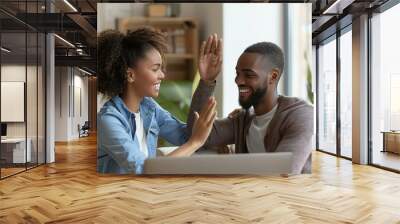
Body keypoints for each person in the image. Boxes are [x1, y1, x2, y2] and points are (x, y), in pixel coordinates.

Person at [97, 28, 221, 174]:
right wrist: (195, 143)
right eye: (155, 69)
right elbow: (143, 169)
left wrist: (206, 81)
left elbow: (186, 135)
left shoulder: (149, 108)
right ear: (130, 75)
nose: (162, 75)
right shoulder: (108, 120)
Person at [188, 41, 314, 174]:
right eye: (238, 73)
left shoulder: (301, 115)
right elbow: (196, 134)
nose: (238, 81)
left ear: (273, 76)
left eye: (249, 75)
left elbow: (284, 172)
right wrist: (207, 81)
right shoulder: (242, 120)